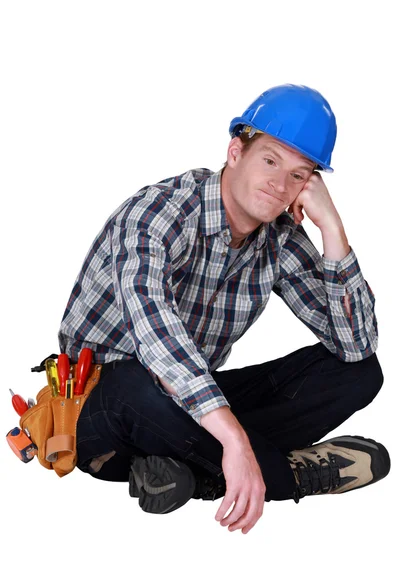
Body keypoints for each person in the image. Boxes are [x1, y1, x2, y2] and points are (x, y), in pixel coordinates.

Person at [58, 84, 390, 534]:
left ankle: (184, 473)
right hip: (104, 407)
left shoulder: (279, 237)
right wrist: (234, 439)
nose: (280, 185)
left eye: (299, 175)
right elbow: (158, 341)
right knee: (133, 386)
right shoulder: (158, 214)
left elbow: (357, 344)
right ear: (236, 151)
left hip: (191, 408)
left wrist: (332, 227)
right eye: (270, 161)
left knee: (360, 373)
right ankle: (282, 475)